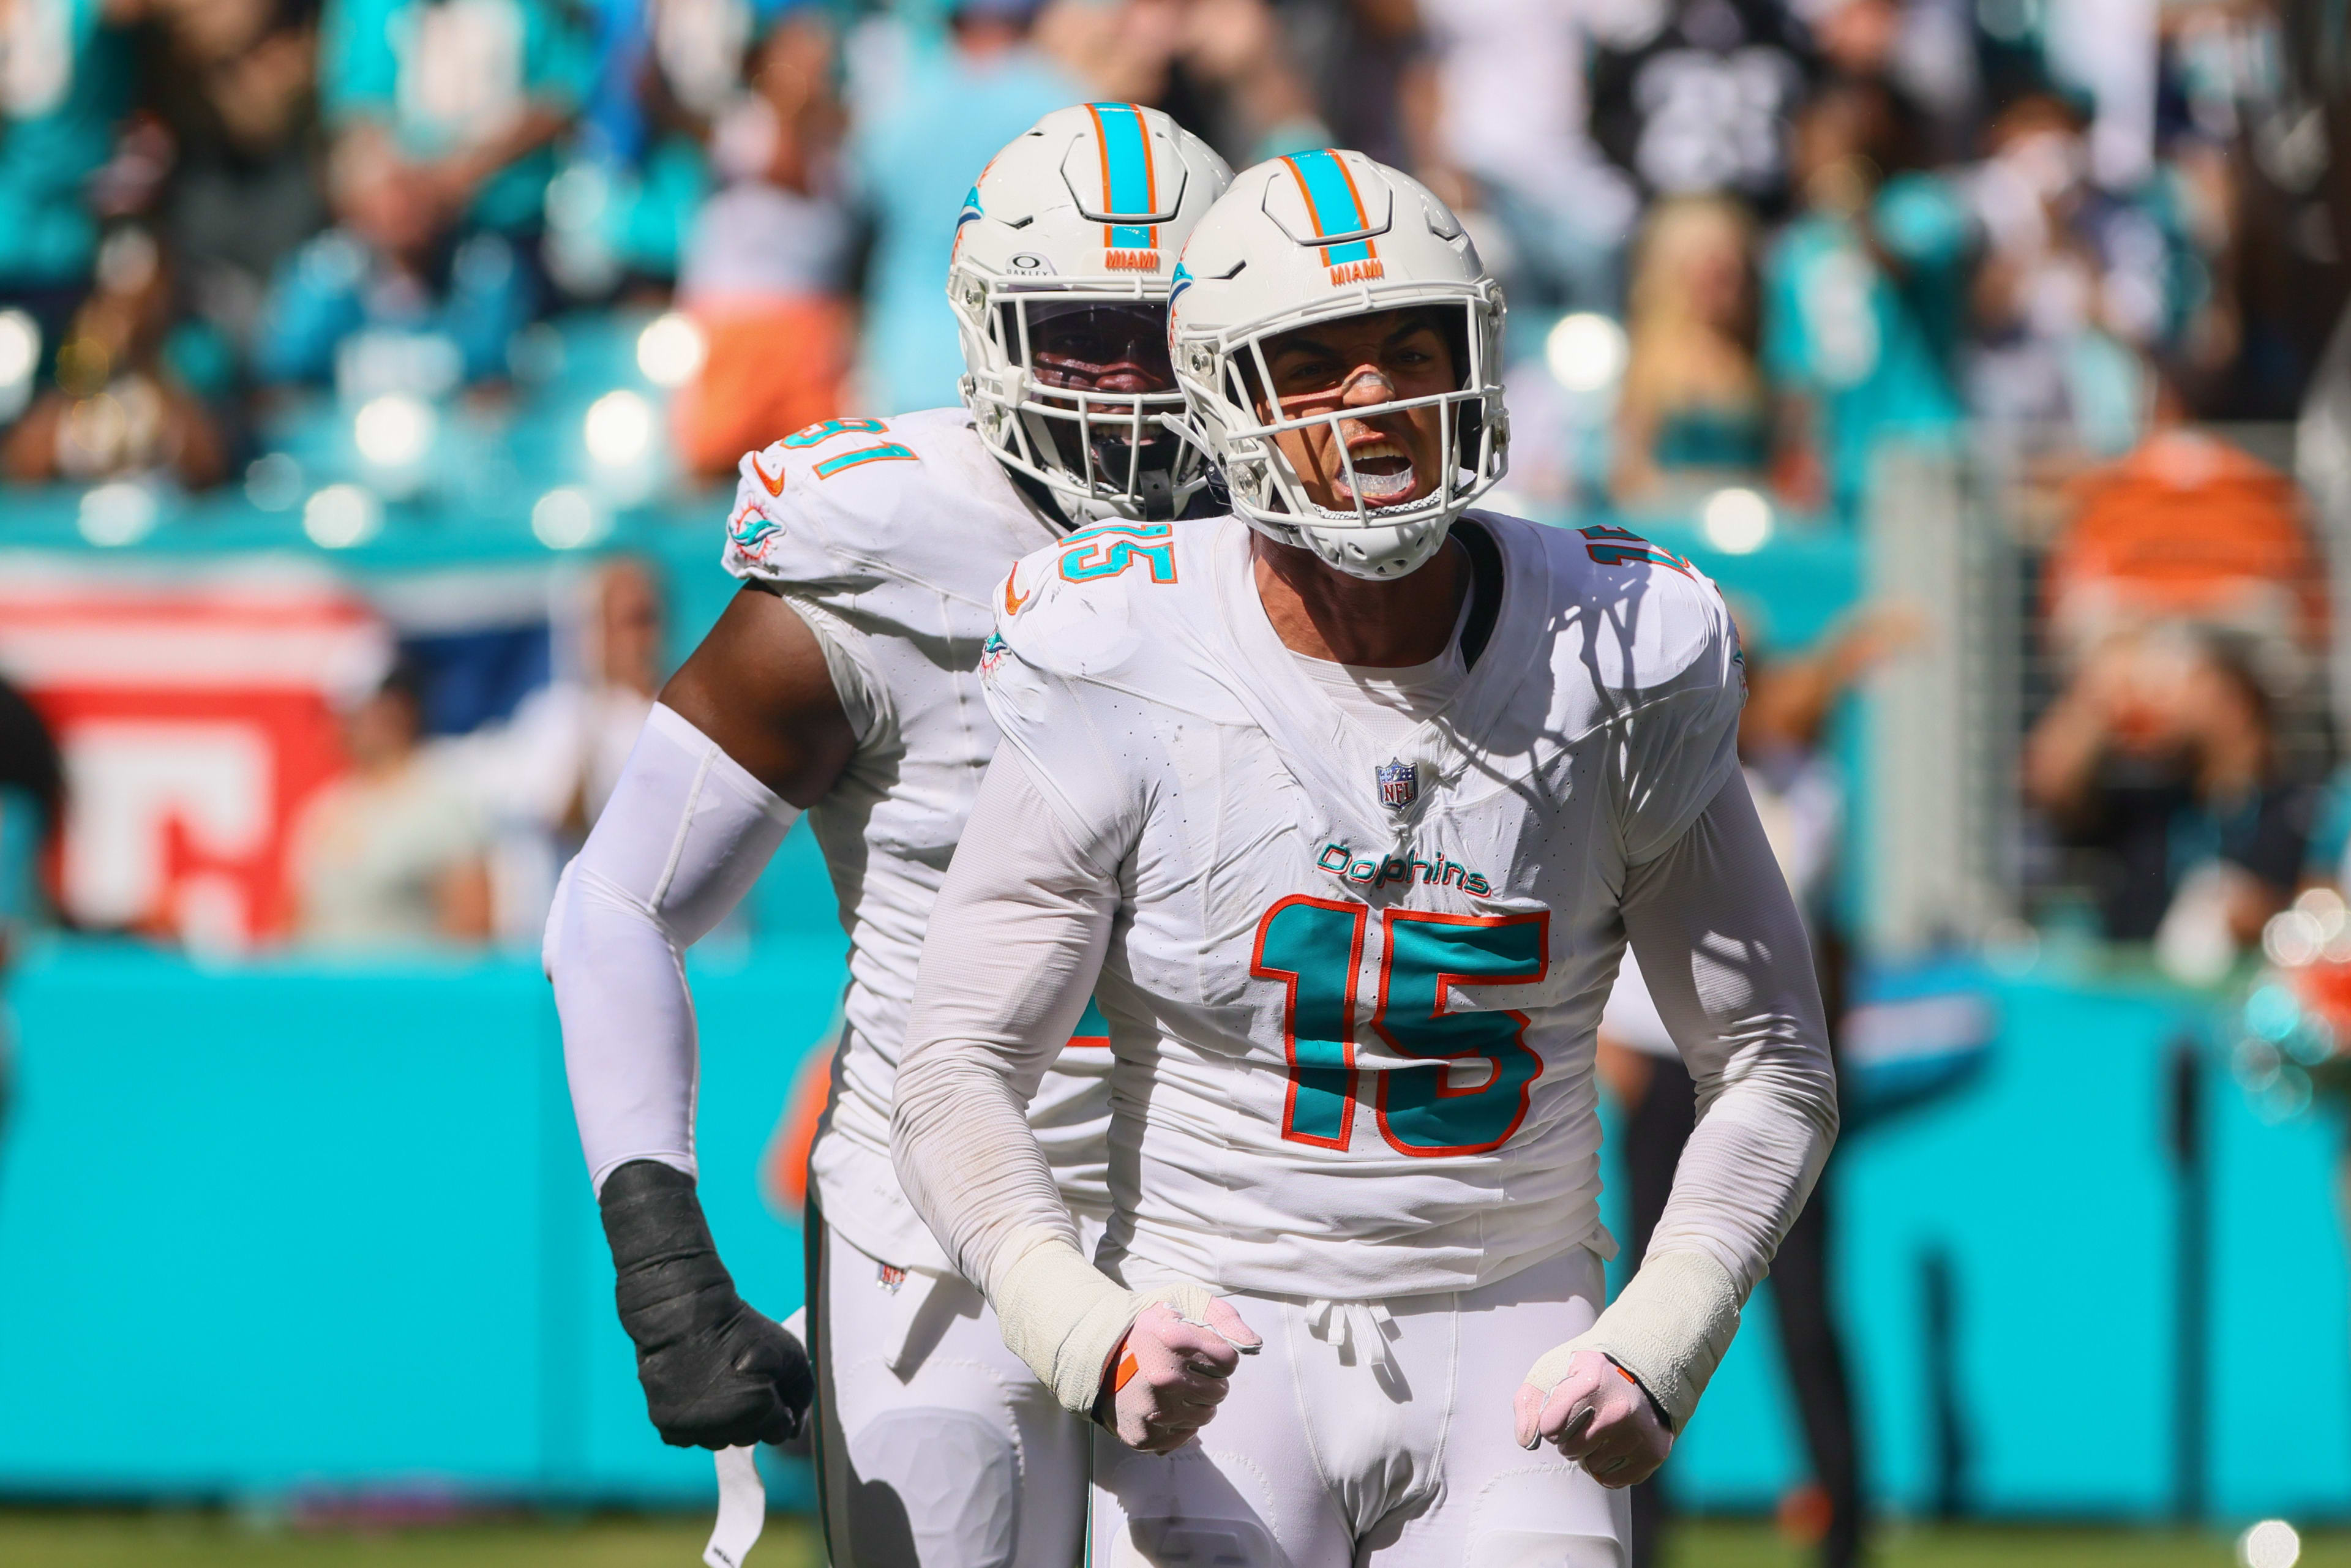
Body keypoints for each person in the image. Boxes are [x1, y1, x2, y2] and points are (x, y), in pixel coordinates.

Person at [891, 149, 1840, 1564]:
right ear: (1222, 391)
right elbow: (950, 1068)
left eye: (1413, 351)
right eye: (1315, 362)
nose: (1377, 401)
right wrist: (1087, 1333)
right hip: (1217, 1332)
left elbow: (1770, 1059)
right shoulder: (1119, 646)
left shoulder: (1622, 647)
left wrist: (1662, 1335)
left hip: (1514, 1322)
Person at [542, 104, 1232, 1567]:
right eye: (1074, 330)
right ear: (990, 329)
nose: (1120, 379)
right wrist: (662, 1252)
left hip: (1233, 1218)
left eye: (1153, 330)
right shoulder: (882, 550)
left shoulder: (1308, 549)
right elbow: (615, 901)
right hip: (930, 1239)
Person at [288, 659, 493, 948]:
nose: (343, 725)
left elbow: (472, 931)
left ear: (398, 708)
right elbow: (293, 924)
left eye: (355, 713)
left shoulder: (442, 804)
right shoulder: (324, 808)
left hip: (407, 992)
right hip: (327, 993)